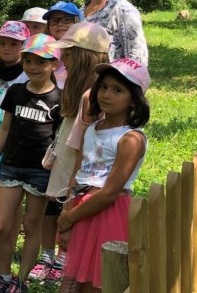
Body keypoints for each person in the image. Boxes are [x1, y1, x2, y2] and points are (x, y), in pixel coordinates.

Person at [26, 23, 110, 284]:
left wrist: (73, 189)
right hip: (65, 168)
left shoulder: (94, 97)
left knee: (68, 218)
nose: (65, 61)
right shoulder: (78, 91)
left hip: (78, 175)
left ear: (85, 56)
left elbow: (85, 150)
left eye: (70, 54)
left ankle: (65, 263)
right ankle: (52, 258)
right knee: (54, 210)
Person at [58, 58, 150, 292]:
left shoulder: (131, 139)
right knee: (77, 280)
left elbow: (110, 192)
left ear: (134, 99)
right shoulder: (91, 129)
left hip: (107, 213)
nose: (106, 94)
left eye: (117, 90)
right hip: (80, 208)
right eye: (104, 87)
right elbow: (76, 176)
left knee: (99, 281)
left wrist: (72, 216)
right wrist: (66, 214)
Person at [0, 34, 62, 293]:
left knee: (31, 225)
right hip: (12, 165)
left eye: (40, 62)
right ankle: (4, 275)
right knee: (2, 224)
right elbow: (5, 129)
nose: (32, 67)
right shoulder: (16, 92)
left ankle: (22, 280)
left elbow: (60, 141)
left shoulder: (59, 99)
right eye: (28, 60)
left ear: (53, 64)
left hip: (40, 171)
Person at [0, 20, 30, 258]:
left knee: (12, 197)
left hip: (16, 142)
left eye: (14, 43)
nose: (7, 47)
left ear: (23, 46)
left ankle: (9, 246)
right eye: (3, 43)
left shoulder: (27, 74)